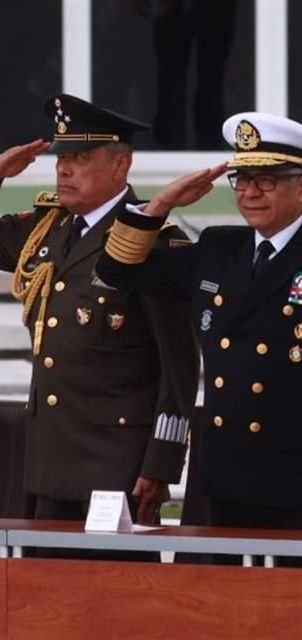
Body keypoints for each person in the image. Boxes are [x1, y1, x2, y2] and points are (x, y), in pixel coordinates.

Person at [0, 94, 201, 543]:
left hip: (119, 464)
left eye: (80, 158)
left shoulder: (152, 244)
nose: (63, 169)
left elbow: (178, 368)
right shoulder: (45, 230)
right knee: (46, 599)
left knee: (113, 595)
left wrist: (160, 463)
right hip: (49, 460)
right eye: (61, 159)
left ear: (120, 166)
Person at [96, 112, 302, 565]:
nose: (250, 193)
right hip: (228, 470)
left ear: (300, 186)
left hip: (294, 473)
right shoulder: (218, 248)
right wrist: (160, 206)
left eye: (266, 181)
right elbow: (114, 270)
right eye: (242, 180)